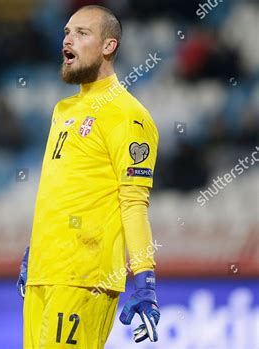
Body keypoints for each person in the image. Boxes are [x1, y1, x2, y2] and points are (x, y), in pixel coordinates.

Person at [17, 5, 160, 348]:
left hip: (84, 277)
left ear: (108, 46)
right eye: (67, 32)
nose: (68, 39)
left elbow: (134, 202)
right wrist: (34, 252)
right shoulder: (63, 110)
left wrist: (144, 279)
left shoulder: (129, 116)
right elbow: (63, 189)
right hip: (44, 272)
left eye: (82, 33)